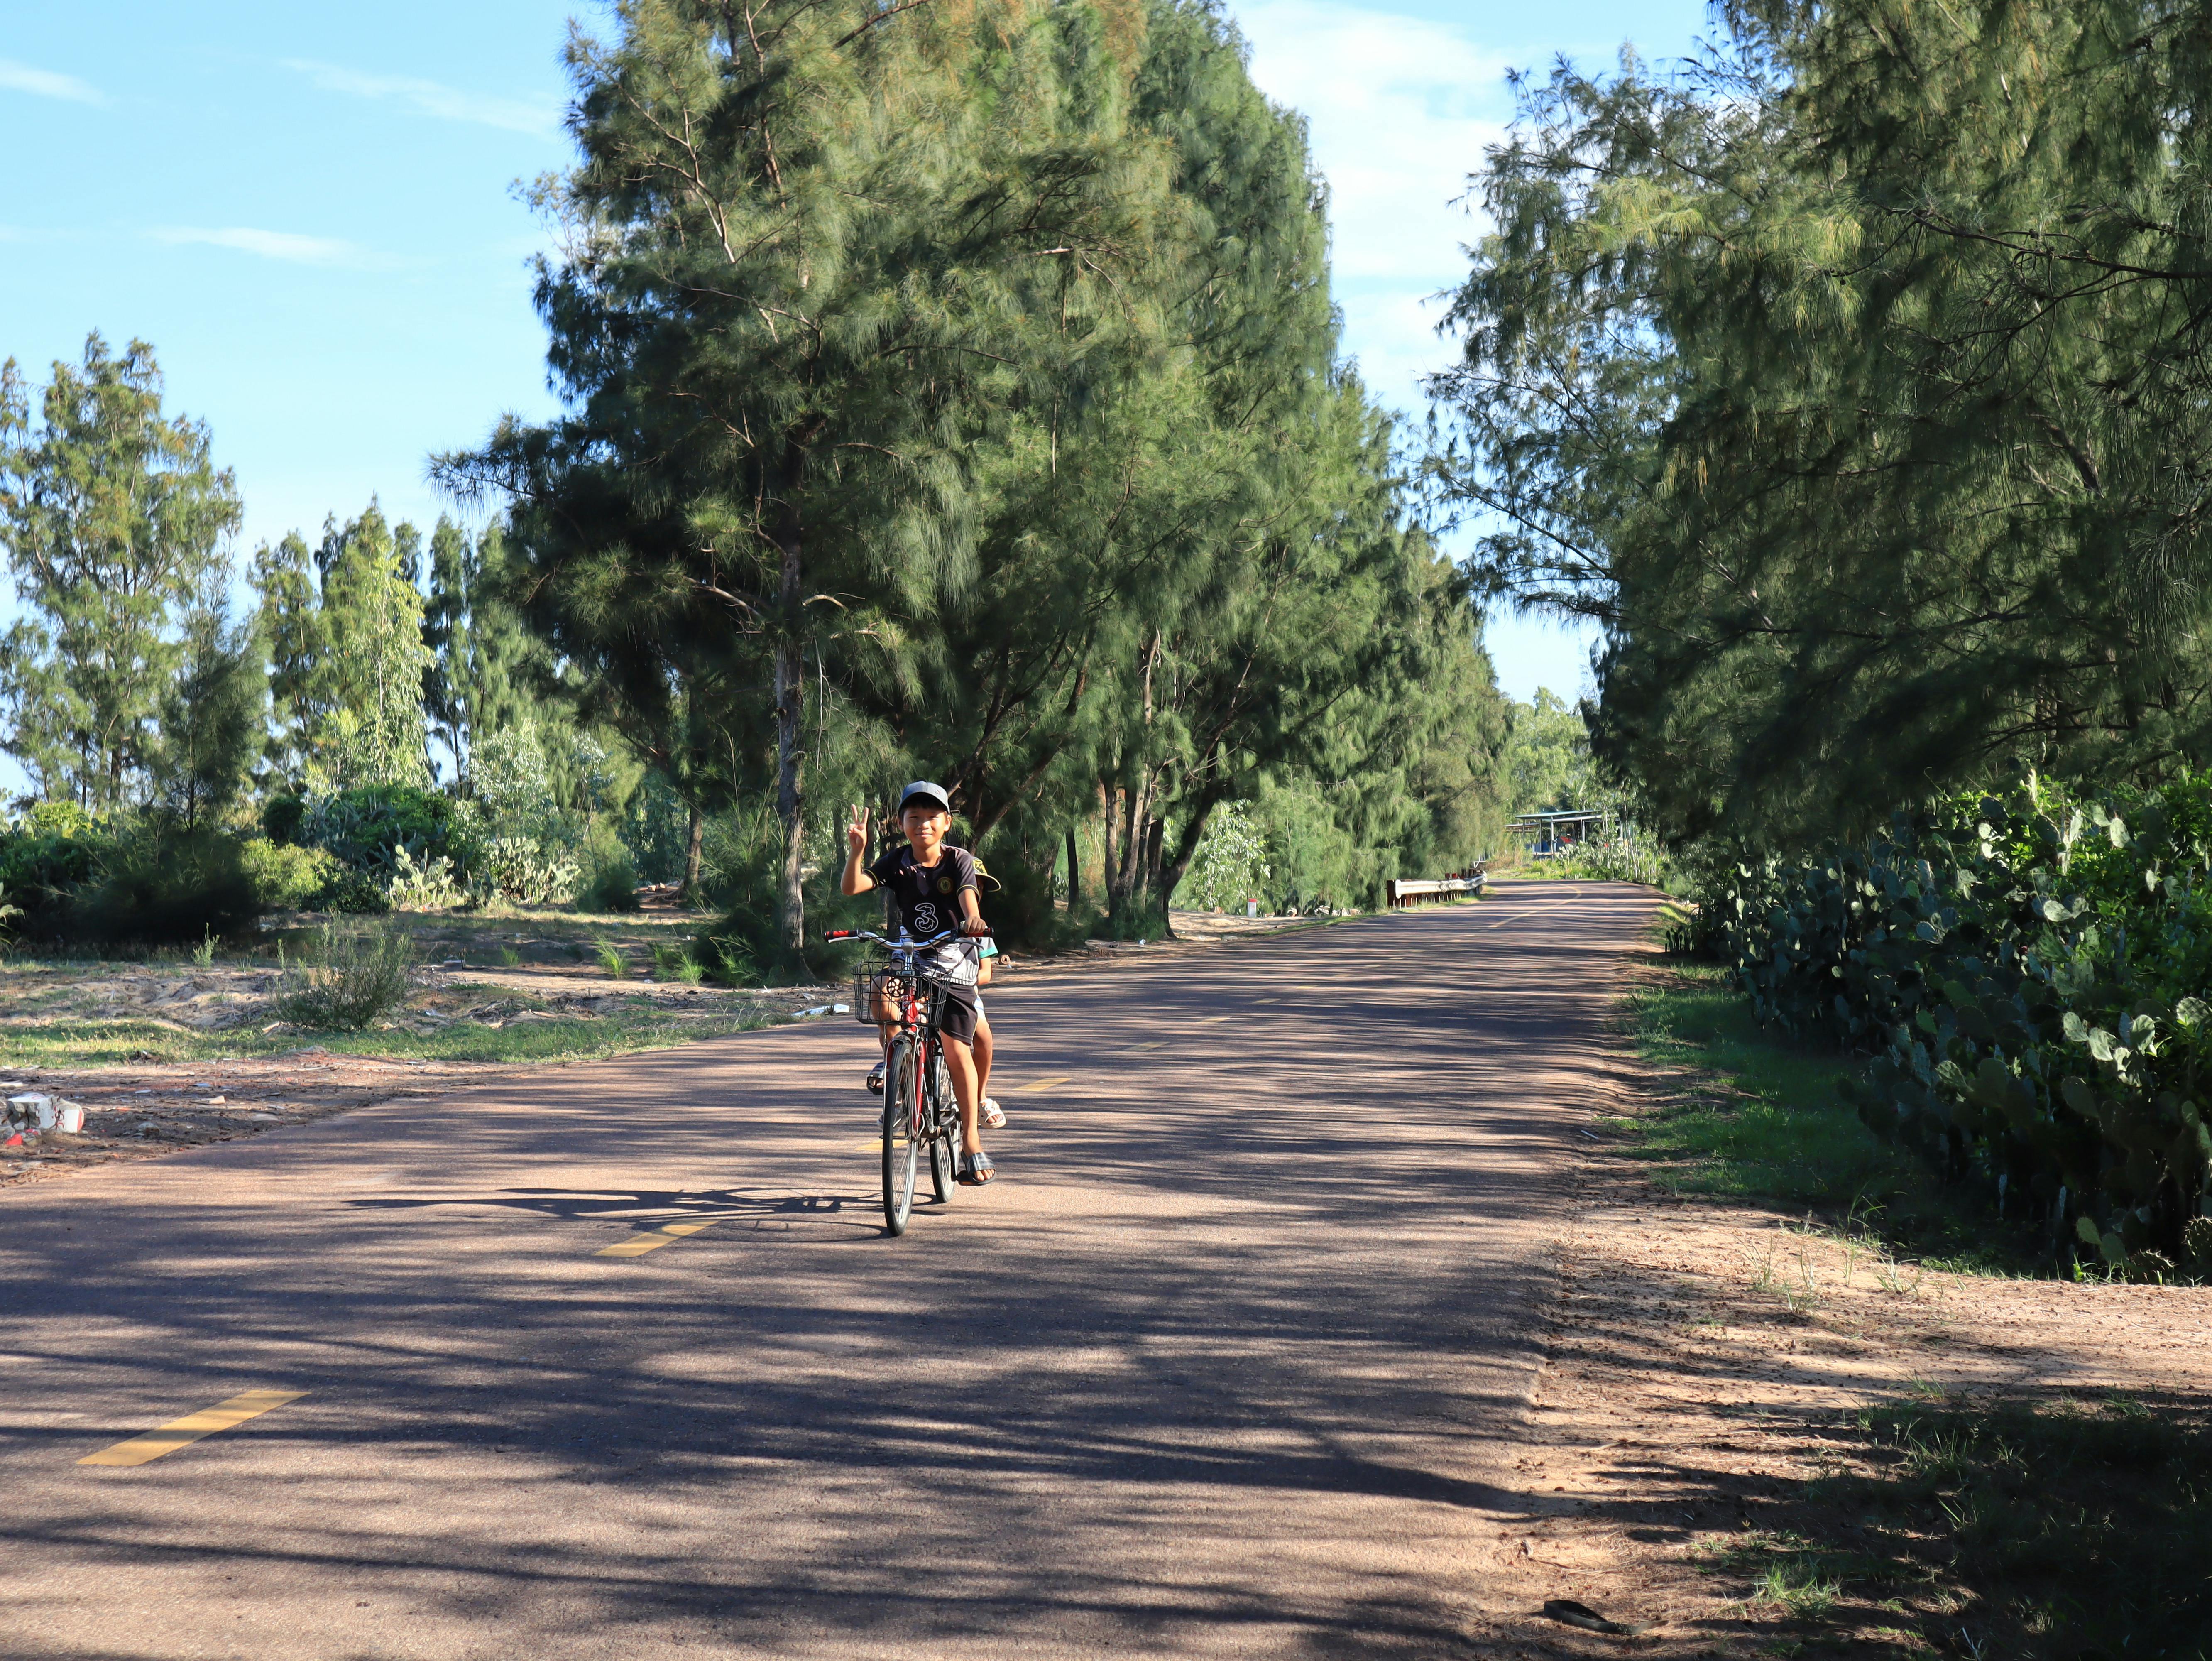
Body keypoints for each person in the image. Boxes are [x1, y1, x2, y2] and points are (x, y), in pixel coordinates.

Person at [842, 782, 998, 1184]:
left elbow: (967, 895)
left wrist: (974, 920)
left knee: (954, 1045)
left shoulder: (959, 859)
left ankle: (971, 1142)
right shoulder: (896, 861)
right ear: (902, 823)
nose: (923, 823)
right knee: (880, 988)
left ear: (946, 823)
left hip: (954, 957)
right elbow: (852, 887)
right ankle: (896, 1056)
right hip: (913, 954)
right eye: (914, 816)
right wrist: (857, 851)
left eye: (932, 816)